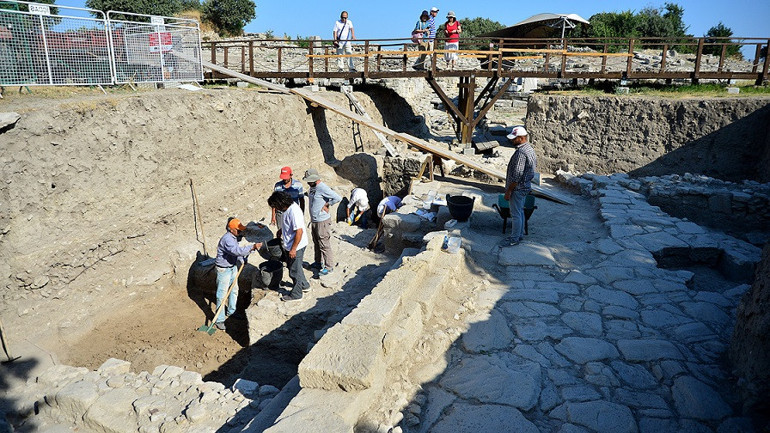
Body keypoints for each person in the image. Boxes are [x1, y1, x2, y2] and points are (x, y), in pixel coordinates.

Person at [214, 218, 261, 330]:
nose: (240, 232)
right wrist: (252, 247)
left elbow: (237, 252)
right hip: (223, 270)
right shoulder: (227, 239)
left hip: (232, 267)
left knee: (234, 290)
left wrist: (241, 259)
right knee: (222, 295)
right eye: (238, 230)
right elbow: (236, 251)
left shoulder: (234, 238)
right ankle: (219, 320)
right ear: (231, 229)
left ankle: (231, 311)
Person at [267, 191, 310, 301]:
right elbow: (289, 224)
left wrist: (293, 249)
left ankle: (296, 294)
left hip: (296, 245)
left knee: (294, 270)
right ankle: (304, 285)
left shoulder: (294, 211)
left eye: (276, 206)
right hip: (290, 244)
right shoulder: (286, 209)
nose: (275, 209)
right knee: (295, 266)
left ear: (281, 203)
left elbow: (299, 232)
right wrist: (282, 230)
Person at [304, 169, 342, 276]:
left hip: (322, 221)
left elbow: (337, 197)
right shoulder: (313, 187)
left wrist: (327, 205)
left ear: (315, 180)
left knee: (324, 244)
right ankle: (318, 262)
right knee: (316, 242)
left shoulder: (322, 187)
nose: (307, 183)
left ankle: (329, 266)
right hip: (315, 220)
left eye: (309, 181)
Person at [503, 126, 537, 246]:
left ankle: (514, 239)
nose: (512, 141)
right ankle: (520, 234)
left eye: (514, 138)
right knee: (520, 212)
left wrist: (509, 191)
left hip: (517, 188)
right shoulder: (529, 149)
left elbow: (517, 175)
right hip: (525, 186)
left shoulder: (521, 153)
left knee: (515, 214)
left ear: (521, 138)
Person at [271, 166, 304, 231]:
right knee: (282, 233)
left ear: (291, 175)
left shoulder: (298, 185)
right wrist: (273, 217)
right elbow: (274, 202)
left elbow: (302, 200)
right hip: (281, 214)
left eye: (286, 177)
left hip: (293, 214)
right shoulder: (278, 186)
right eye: (284, 178)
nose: (285, 179)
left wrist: (301, 213)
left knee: (293, 233)